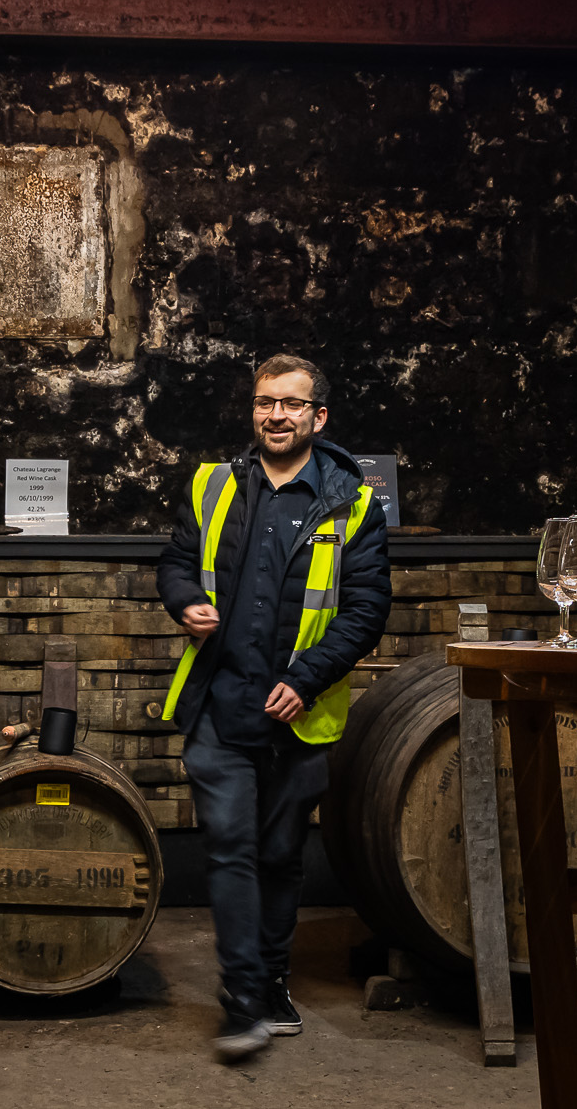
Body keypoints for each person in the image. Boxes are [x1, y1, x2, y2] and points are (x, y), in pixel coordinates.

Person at [156, 354, 390, 1063]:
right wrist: (183, 601)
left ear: (318, 416)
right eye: (265, 402)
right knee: (230, 848)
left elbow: (366, 609)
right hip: (221, 703)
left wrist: (309, 677)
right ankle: (244, 996)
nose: (276, 415)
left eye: (291, 404)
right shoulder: (214, 484)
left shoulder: (353, 503)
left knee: (281, 856)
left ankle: (272, 978)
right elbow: (175, 560)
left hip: (298, 714)